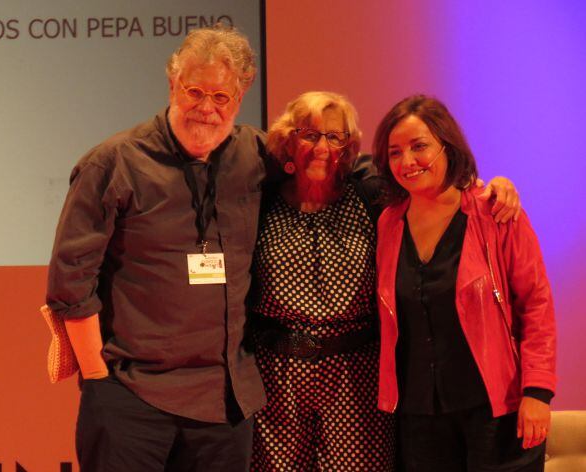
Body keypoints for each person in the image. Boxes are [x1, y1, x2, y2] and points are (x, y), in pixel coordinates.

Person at [246, 91, 521, 471]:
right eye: (309, 134)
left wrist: (489, 185)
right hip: (276, 377)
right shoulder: (259, 202)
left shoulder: (373, 199)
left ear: (348, 148)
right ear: (287, 140)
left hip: (355, 376)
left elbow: (437, 193)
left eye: (334, 137)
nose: (321, 147)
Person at [45, 25, 266, 471]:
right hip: (130, 396)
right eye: (194, 91)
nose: (206, 108)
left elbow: (329, 164)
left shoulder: (257, 155)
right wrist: (97, 379)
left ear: (240, 97)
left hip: (225, 403)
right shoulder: (114, 162)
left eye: (221, 97)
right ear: (171, 85)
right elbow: (71, 282)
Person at [372, 95, 556, 471]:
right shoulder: (389, 223)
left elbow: (536, 305)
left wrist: (537, 392)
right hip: (420, 416)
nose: (407, 161)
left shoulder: (495, 212)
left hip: (497, 410)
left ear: (447, 145)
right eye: (394, 152)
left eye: (419, 146)